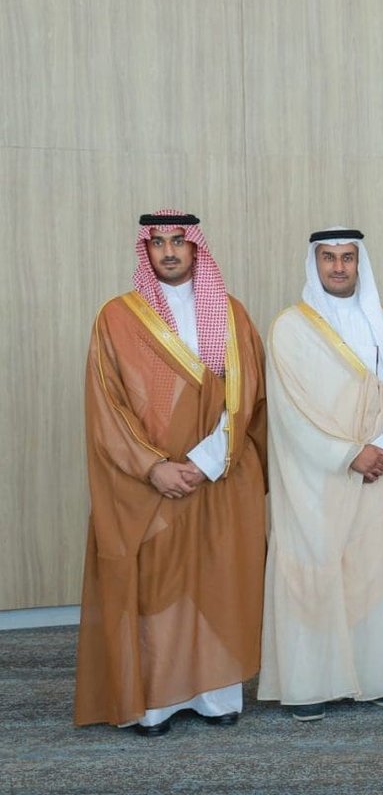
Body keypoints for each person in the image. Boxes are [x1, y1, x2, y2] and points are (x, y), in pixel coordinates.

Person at [76, 211, 268, 735]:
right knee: (156, 587)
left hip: (216, 475)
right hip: (149, 484)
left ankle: (215, 695)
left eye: (178, 241)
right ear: (146, 250)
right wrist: (154, 467)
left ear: (195, 248)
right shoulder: (116, 318)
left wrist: (204, 462)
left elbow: (246, 397)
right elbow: (107, 405)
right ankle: (155, 701)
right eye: (158, 242)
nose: (168, 251)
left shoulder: (231, 315)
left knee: (217, 578)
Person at [259, 229, 383, 722]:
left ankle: (380, 679)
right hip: (317, 476)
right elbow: (289, 411)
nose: (338, 267)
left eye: (347, 257)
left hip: (382, 469)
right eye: (328, 257)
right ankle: (312, 685)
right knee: (314, 571)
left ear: (359, 263)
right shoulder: (290, 328)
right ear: (315, 263)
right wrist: (348, 454)